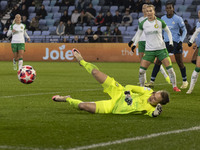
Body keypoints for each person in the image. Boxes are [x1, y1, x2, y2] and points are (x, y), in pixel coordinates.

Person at [52, 48, 169, 117]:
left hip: (113, 107)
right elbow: (129, 87)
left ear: (159, 104)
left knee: (83, 106)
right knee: (95, 73)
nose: (152, 97)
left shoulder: (149, 109)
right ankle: (81, 61)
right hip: (119, 91)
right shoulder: (147, 92)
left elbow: (152, 114)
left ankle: (67, 98)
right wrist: (127, 94)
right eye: (154, 94)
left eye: (155, 99)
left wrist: (155, 114)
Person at [129, 5, 181, 92]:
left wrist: (171, 43)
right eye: (147, 11)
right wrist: (134, 44)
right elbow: (138, 34)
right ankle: (142, 89)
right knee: (141, 71)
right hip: (149, 51)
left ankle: (175, 87)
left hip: (161, 50)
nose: (149, 12)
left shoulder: (160, 22)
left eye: (150, 11)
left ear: (154, 12)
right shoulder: (143, 23)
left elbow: (168, 32)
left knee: (170, 69)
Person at [145, 2, 188, 89]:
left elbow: (185, 31)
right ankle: (152, 81)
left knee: (179, 62)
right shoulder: (163, 18)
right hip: (165, 43)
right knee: (158, 61)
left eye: (170, 8)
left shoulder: (178, 19)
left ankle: (185, 81)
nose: (168, 9)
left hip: (176, 42)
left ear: (173, 9)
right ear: (165, 9)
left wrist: (180, 41)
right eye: (167, 8)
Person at [186, 10, 200, 94]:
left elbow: (197, 32)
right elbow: (197, 33)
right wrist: (195, 43)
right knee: (196, 65)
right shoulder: (198, 23)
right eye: (199, 13)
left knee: (197, 66)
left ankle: (190, 89)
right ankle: (190, 89)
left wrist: (191, 41)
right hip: (199, 46)